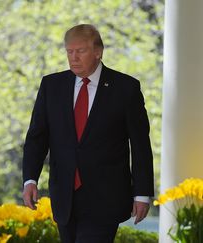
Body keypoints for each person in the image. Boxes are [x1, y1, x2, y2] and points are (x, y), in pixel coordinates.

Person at [21, 24, 154, 243]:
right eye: (69, 52)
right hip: (64, 196)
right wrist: (29, 180)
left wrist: (142, 193)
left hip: (105, 198)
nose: (73, 57)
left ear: (98, 52)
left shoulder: (126, 88)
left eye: (80, 51)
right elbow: (37, 138)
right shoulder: (51, 86)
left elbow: (140, 145)